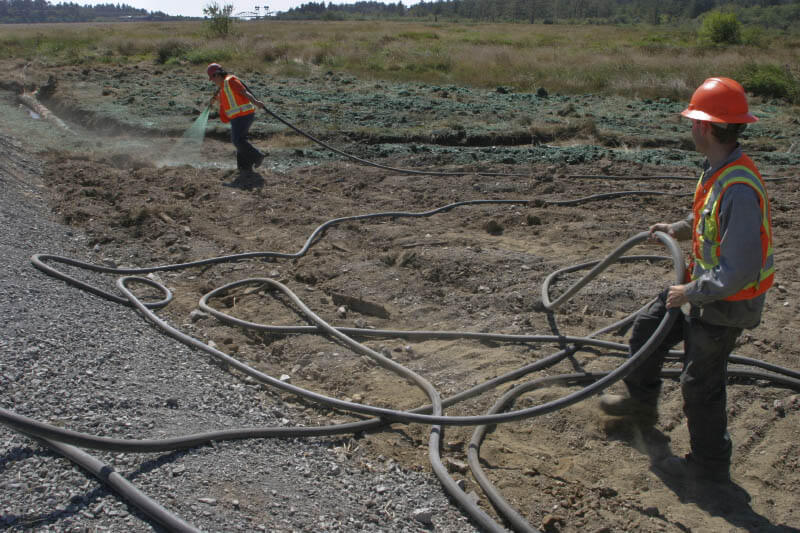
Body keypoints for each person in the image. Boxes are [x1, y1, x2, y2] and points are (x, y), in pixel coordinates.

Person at [599, 77, 774, 484]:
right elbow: (709, 219)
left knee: (700, 384)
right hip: (704, 289)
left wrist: (689, 291)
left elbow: (740, 269)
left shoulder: (740, 188)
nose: (691, 127)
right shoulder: (720, 170)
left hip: (727, 304)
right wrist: (678, 228)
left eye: (694, 120)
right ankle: (640, 411)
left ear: (705, 127)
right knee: (647, 330)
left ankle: (709, 468)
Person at [207, 63, 266, 173]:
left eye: (212, 78)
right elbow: (224, 99)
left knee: (237, 140)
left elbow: (244, 92)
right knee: (240, 140)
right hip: (237, 117)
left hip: (244, 115)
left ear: (217, 75)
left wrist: (256, 102)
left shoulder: (231, 81)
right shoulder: (223, 86)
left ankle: (257, 156)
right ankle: (244, 167)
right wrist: (214, 101)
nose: (213, 81)